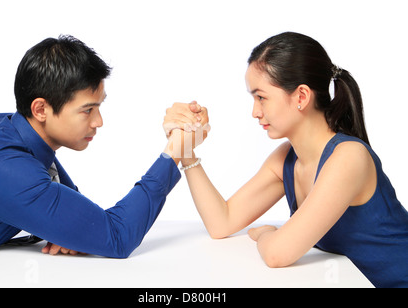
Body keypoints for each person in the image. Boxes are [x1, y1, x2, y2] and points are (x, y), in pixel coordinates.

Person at [164, 32, 408, 288]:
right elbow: (221, 222)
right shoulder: (286, 160)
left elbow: (277, 254)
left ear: (301, 96)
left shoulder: (348, 158)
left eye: (261, 97)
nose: (255, 112)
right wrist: (185, 149)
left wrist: (270, 233)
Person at [0, 35, 208, 280]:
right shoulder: (8, 169)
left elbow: (76, 209)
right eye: (87, 110)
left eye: (99, 107)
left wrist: (71, 231)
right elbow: (118, 236)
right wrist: (175, 149)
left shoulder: (5, 128)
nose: (99, 121)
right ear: (41, 109)